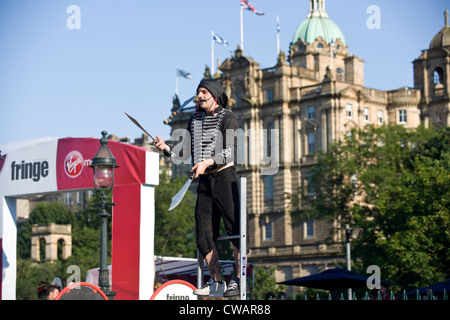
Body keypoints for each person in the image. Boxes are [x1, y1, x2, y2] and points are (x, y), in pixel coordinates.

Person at [154, 78, 241, 297]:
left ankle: (237, 280)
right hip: (204, 183)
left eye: (204, 92)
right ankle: (217, 282)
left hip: (225, 178)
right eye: (198, 92)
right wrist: (165, 148)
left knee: (235, 233)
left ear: (214, 95)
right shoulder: (194, 120)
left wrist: (207, 162)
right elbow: (182, 153)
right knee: (203, 235)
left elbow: (230, 151)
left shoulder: (228, 117)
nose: (200, 95)